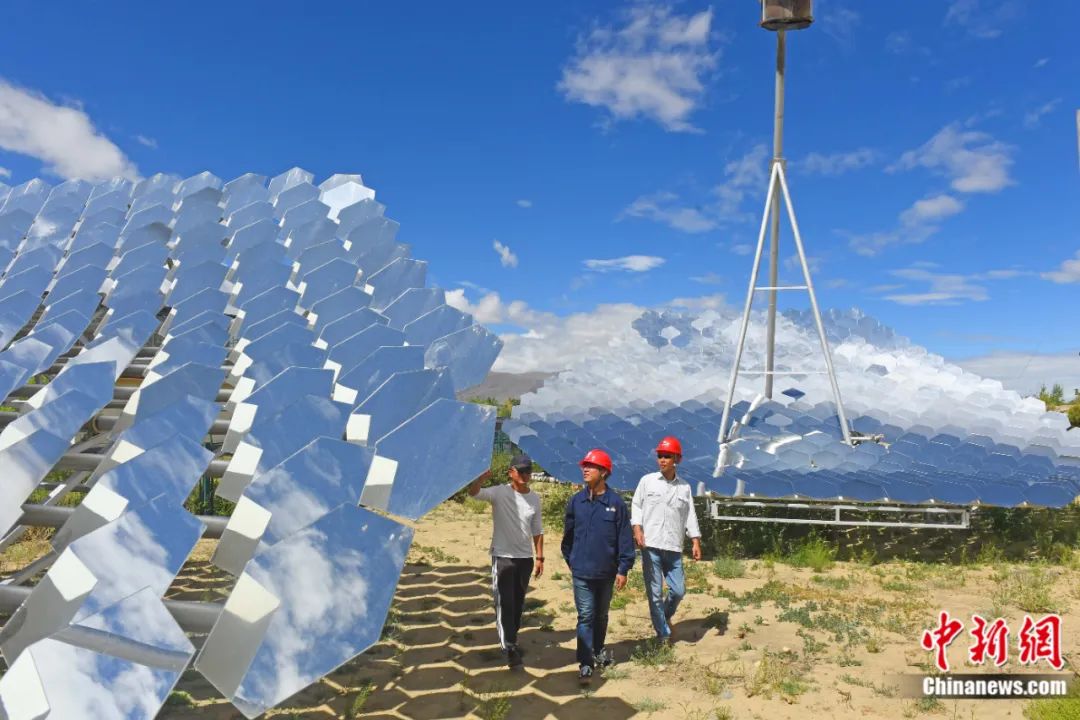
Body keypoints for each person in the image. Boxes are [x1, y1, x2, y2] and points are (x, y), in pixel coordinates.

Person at [561, 448, 635, 685]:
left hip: (606, 572)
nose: (585, 469)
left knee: (601, 616)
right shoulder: (577, 501)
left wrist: (623, 568)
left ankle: (598, 650)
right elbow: (567, 537)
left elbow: (625, 538)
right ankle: (585, 662)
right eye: (584, 466)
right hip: (581, 572)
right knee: (586, 616)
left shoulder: (616, 504)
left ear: (603, 472)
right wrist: (573, 560)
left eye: (590, 466)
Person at [469, 453, 544, 670]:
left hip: (525, 559)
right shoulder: (499, 492)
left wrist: (540, 557)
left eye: (528, 471)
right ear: (511, 472)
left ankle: (513, 638)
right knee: (505, 603)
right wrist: (479, 480)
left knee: (518, 603)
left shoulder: (534, 499)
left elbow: (537, 529)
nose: (525, 475)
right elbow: (474, 493)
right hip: (502, 557)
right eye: (521, 471)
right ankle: (509, 647)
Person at [631, 436, 702, 644]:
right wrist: (637, 529)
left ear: (677, 459)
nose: (662, 460)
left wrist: (695, 540)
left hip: (673, 545)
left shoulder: (684, 487)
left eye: (667, 456)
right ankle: (663, 634)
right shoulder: (647, 481)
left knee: (679, 590)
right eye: (660, 456)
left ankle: (663, 616)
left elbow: (690, 515)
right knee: (654, 592)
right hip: (651, 544)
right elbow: (636, 505)